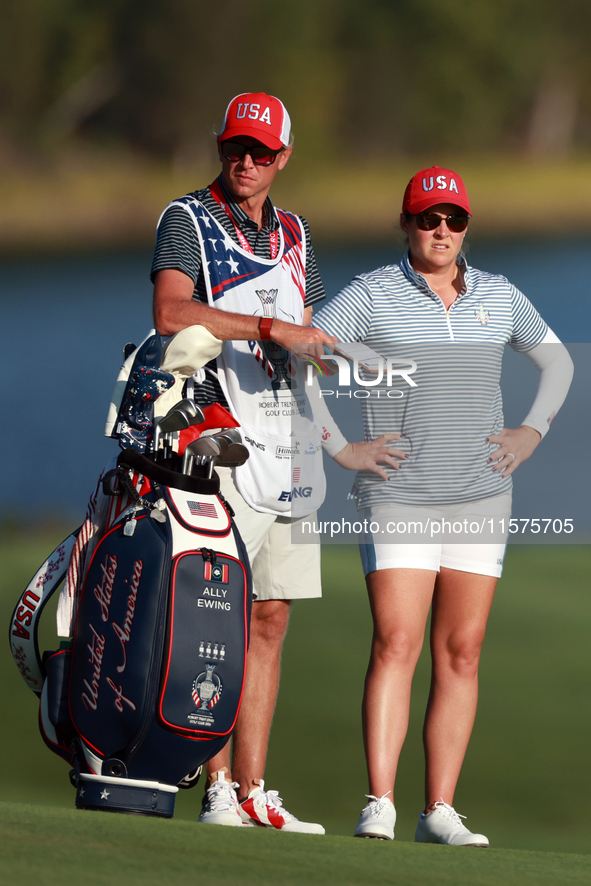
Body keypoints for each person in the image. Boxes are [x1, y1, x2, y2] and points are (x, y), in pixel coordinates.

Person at [151, 92, 395, 833]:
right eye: (235, 147)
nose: (246, 162)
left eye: (261, 152)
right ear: (221, 146)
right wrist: (266, 327)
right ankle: (216, 788)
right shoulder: (185, 219)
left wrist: (337, 409)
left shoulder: (295, 233)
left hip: (288, 451)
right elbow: (170, 315)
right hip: (218, 444)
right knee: (213, 618)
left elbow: (307, 340)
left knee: (270, 618)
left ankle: (254, 790)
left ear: (283, 158)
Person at [312, 166, 574, 846]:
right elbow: (297, 355)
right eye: (427, 219)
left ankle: (439, 811)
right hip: (397, 494)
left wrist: (531, 430)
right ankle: (379, 803)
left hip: (482, 495)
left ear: (465, 227)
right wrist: (340, 448)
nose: (440, 231)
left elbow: (559, 364)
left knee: (460, 651)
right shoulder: (370, 294)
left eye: (452, 220)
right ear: (405, 224)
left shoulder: (498, 293)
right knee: (396, 643)